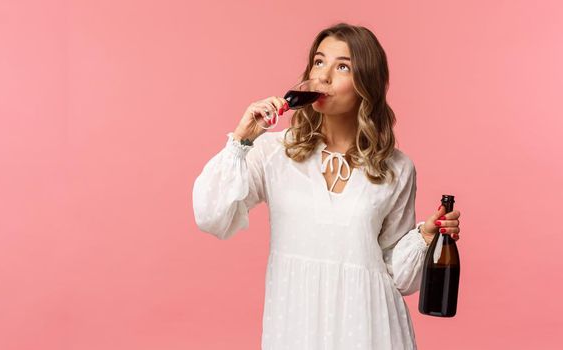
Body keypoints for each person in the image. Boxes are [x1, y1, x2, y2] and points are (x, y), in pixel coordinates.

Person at [192, 23, 463, 350]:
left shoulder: (396, 167)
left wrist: (425, 236)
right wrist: (241, 140)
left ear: (366, 83)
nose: (324, 76)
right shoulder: (275, 152)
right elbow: (211, 216)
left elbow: (399, 278)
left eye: (343, 66)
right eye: (319, 62)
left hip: (371, 329)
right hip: (296, 326)